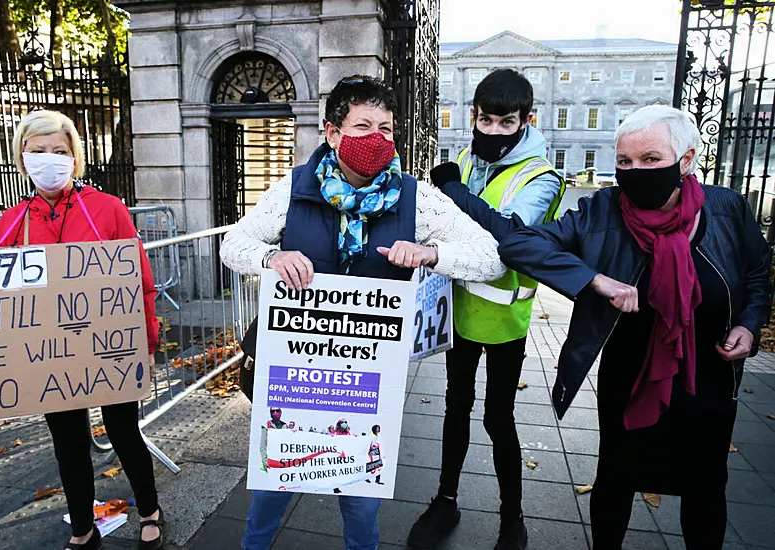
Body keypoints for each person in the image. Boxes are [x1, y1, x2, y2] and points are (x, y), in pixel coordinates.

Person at [446, 105, 772, 549]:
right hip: (629, 376)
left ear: (687, 159)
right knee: (616, 480)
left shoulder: (728, 210)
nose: (635, 172)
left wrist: (750, 327)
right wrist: (593, 279)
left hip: (708, 377)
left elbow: (756, 273)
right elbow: (520, 241)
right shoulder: (602, 210)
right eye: (624, 162)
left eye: (650, 160)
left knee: (706, 487)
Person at [220, 74, 506, 550]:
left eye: (387, 128)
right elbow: (234, 243)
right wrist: (269, 258)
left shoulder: (418, 200)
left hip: (366, 382)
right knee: (272, 490)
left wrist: (432, 254)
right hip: (293, 372)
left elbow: (490, 256)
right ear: (332, 133)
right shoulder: (292, 190)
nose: (376, 139)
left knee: (360, 503)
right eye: (362, 126)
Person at [0, 110, 166, 550]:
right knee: (68, 444)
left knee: (124, 433)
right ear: (22, 157)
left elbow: (139, 281)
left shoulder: (107, 209)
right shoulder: (14, 221)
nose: (49, 159)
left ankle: (150, 510)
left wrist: (147, 341)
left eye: (59, 151)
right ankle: (82, 529)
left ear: (75, 157)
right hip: (51, 356)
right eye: (39, 151)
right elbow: (2, 300)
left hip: (109, 348)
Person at [407, 68, 564, 550]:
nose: (493, 131)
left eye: (506, 122)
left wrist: (454, 192)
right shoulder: (465, 160)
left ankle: (511, 518)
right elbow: (443, 225)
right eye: (486, 120)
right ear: (474, 116)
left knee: (499, 418)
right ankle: (446, 499)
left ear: (526, 120)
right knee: (456, 407)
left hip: (504, 321)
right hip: (459, 312)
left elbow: (508, 237)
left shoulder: (543, 177)